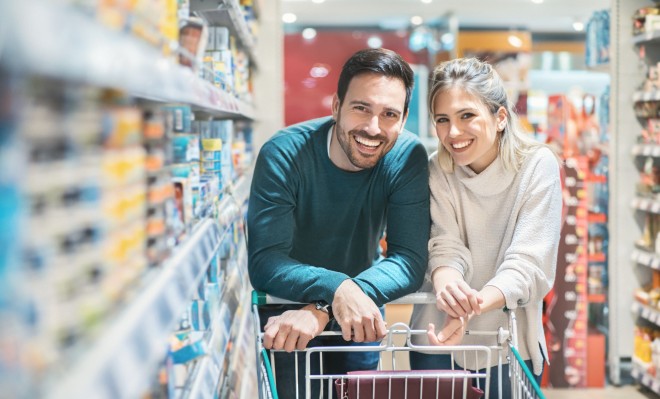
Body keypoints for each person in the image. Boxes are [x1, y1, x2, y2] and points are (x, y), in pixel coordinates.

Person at [247, 48, 430, 397]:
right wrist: (337, 289)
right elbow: (266, 261)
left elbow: (409, 260)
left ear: (403, 120)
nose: (373, 128)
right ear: (335, 107)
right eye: (361, 108)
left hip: (362, 303)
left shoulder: (407, 156)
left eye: (389, 114)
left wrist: (328, 304)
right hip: (287, 312)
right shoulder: (284, 153)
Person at [409, 57, 562, 398]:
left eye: (467, 116)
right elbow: (445, 245)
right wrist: (450, 288)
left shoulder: (537, 166)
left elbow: (528, 263)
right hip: (436, 339)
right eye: (442, 120)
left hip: (507, 345)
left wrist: (472, 306)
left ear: (501, 117)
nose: (453, 133)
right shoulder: (438, 169)